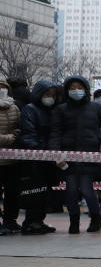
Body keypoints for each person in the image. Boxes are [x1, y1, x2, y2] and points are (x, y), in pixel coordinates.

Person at [50, 76, 101, 234]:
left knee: (86, 189)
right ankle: (74, 221)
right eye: (72, 88)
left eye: (79, 87)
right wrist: (56, 155)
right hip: (68, 156)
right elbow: (55, 132)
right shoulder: (60, 109)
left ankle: (95, 218)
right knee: (70, 190)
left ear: (86, 89)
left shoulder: (96, 108)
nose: (76, 90)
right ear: (67, 90)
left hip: (89, 155)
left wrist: (100, 138)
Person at [16, 80, 60, 234]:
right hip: (35, 158)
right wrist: (39, 153)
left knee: (44, 192)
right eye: (47, 94)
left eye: (53, 95)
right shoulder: (30, 109)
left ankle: (39, 221)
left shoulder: (51, 111)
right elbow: (28, 133)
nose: (50, 98)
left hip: (48, 158)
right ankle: (30, 222)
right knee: (35, 191)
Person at [0, 77, 21, 235]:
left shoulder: (14, 108)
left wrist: (15, 134)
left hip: (12, 160)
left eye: (3, 87)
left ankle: (10, 221)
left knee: (12, 192)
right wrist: (8, 138)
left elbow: (19, 127)